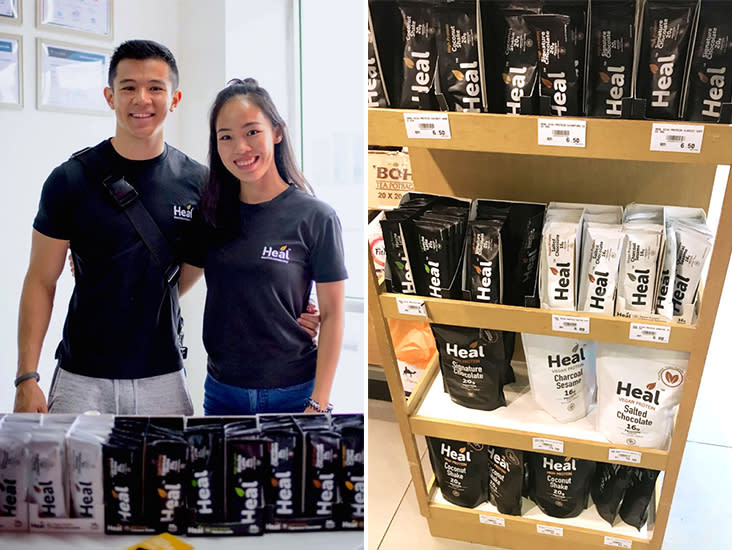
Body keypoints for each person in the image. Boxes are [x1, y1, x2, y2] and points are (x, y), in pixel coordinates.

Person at [13, 40, 317, 415]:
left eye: (155, 88)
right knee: (72, 476)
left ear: (174, 99)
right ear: (110, 97)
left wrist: (301, 306)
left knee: (170, 474)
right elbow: (40, 280)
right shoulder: (70, 181)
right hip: (81, 376)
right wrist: (26, 377)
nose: (142, 99)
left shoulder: (201, 184)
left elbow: (243, 250)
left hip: (163, 375)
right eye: (128, 88)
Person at [187, 78, 347, 415]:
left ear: (276, 132)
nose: (240, 148)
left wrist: (319, 402)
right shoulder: (211, 214)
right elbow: (172, 275)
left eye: (251, 132)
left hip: (294, 393)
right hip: (221, 394)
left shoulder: (316, 217)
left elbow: (332, 314)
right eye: (226, 137)